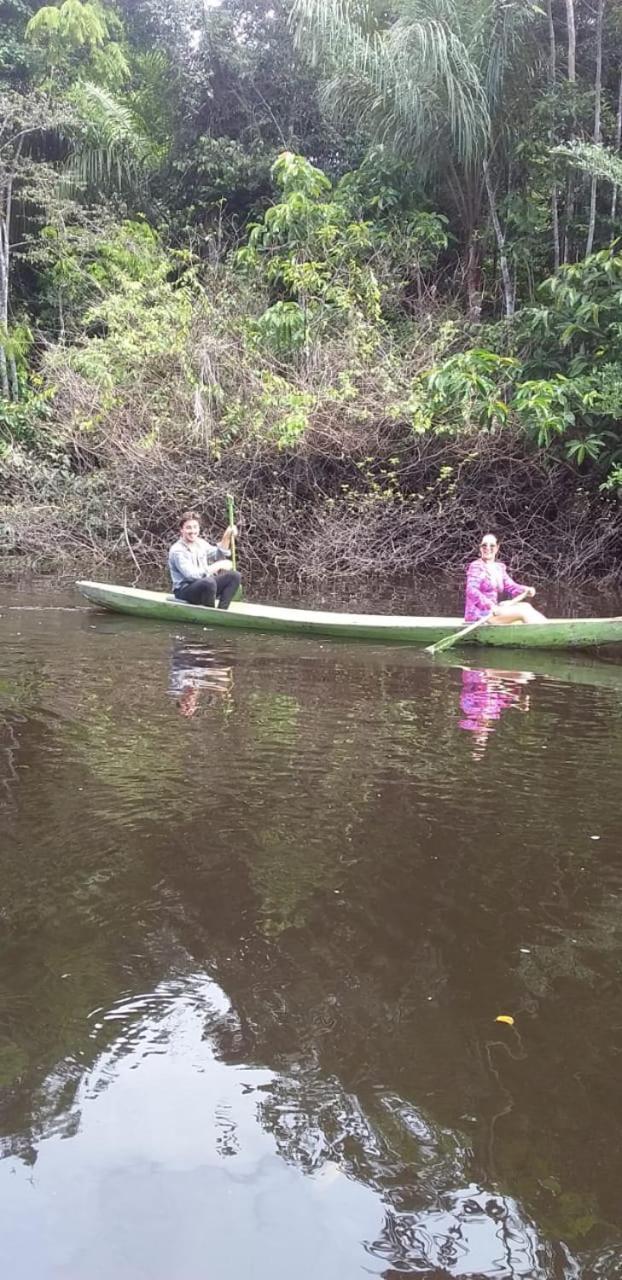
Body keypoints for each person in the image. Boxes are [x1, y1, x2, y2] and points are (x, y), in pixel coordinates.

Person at [464, 534, 546, 625]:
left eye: (492, 545)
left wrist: (526, 589)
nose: (487, 548)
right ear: (480, 548)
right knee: (522, 613)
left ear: (497, 548)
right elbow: (471, 590)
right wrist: (490, 606)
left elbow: (511, 586)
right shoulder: (476, 566)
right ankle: (544, 633)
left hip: (494, 611)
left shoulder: (499, 568)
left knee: (526, 606)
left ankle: (548, 628)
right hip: (480, 615)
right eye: (484, 545)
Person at [168, 510, 242, 609]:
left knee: (235, 576)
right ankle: (210, 613)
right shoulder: (177, 550)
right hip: (184, 591)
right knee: (208, 582)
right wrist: (217, 566)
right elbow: (191, 576)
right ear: (181, 530)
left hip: (204, 585)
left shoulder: (200, 543)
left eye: (195, 527)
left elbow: (218, 554)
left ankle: (222, 611)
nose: (193, 531)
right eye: (188, 528)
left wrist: (227, 536)